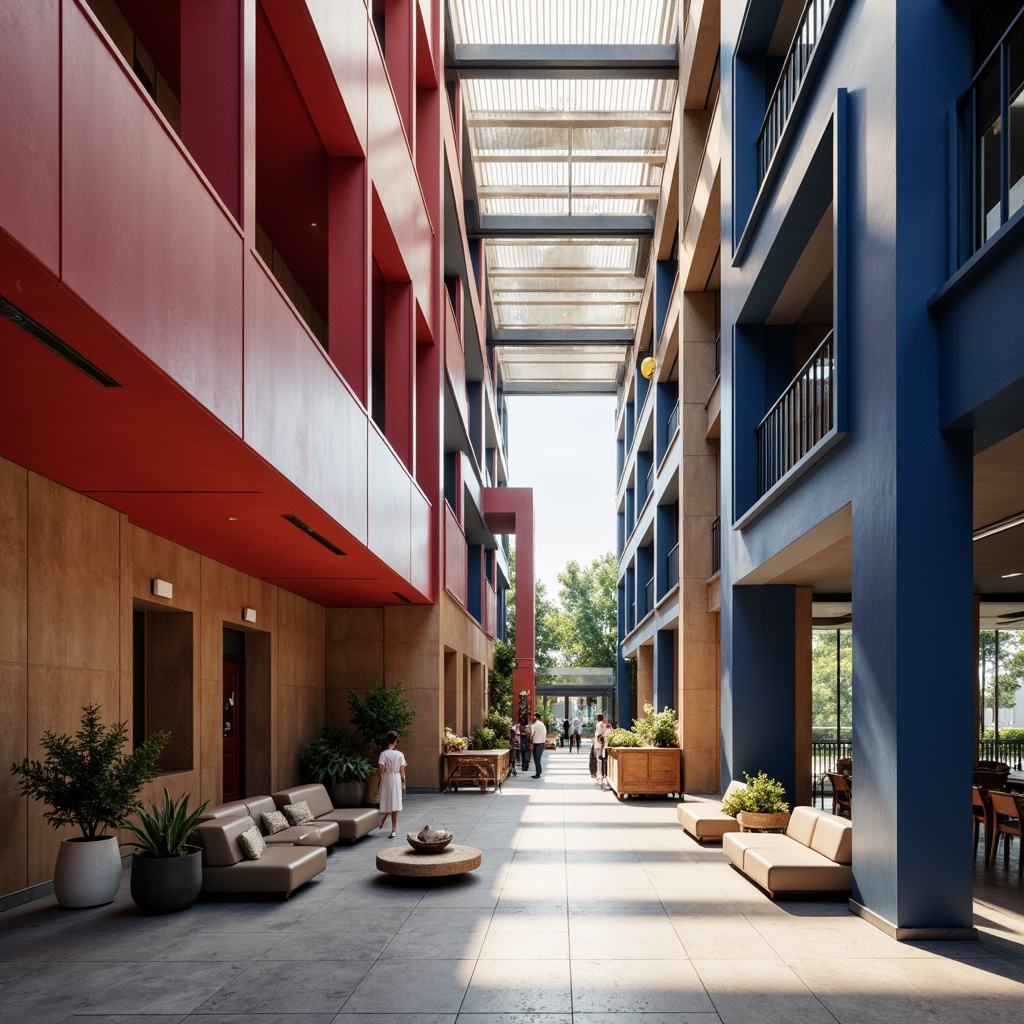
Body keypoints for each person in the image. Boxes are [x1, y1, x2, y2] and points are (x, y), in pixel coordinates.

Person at [377, 730, 406, 839]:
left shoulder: (383, 754)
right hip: (396, 777)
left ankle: (384, 819)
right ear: (395, 740)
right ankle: (393, 830)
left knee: (387, 800)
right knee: (395, 803)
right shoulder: (400, 754)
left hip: (387, 777)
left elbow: (381, 769)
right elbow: (402, 770)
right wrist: (403, 781)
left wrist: (381, 778)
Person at [529, 711, 547, 778]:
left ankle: (538, 773)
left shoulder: (534, 725)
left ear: (535, 717)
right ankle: (538, 772)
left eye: (533, 716)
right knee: (538, 759)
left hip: (536, 743)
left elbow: (531, 735)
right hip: (542, 743)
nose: (532, 717)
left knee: (536, 759)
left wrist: (530, 742)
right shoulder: (542, 724)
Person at [592, 713, 607, 783]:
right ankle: (601, 774)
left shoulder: (598, 725)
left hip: (598, 744)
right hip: (602, 744)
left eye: (596, 717)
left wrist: (596, 740)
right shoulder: (604, 725)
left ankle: (599, 774)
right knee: (602, 759)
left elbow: (598, 734)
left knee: (598, 759)